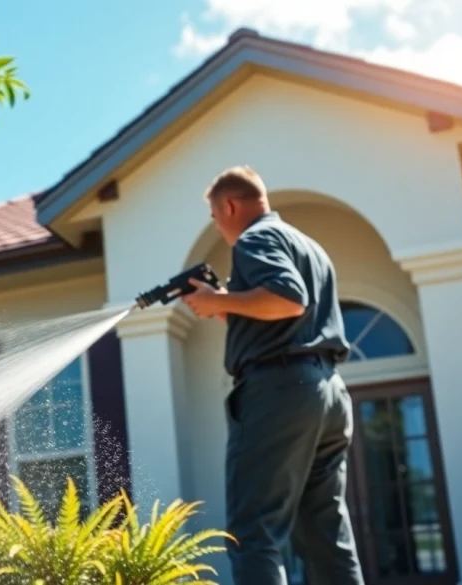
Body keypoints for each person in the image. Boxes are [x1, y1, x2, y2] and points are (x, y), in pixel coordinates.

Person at [180, 166, 366, 585]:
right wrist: (223, 307)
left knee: (253, 532)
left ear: (229, 205)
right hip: (328, 393)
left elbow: (287, 299)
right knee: (325, 534)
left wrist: (220, 299)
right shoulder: (310, 246)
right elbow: (282, 316)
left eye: (214, 215)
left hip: (280, 392)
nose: (218, 224)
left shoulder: (256, 238)